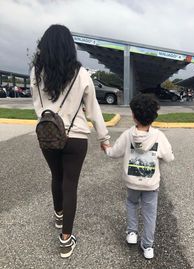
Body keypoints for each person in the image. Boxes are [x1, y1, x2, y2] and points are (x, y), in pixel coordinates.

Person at [30, 24, 110, 258]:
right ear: (69, 47)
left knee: (56, 176)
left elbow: (37, 105)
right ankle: (66, 240)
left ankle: (58, 215)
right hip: (76, 137)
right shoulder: (81, 73)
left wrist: (48, 122)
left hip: (48, 133)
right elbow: (93, 109)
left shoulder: (36, 72)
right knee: (70, 183)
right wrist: (104, 138)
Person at [102, 94, 174, 259]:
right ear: (154, 116)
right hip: (151, 184)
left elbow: (115, 152)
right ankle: (148, 246)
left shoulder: (128, 135)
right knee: (150, 214)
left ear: (134, 116)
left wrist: (106, 148)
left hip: (132, 182)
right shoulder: (158, 136)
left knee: (132, 203)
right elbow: (169, 157)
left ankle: (132, 233)